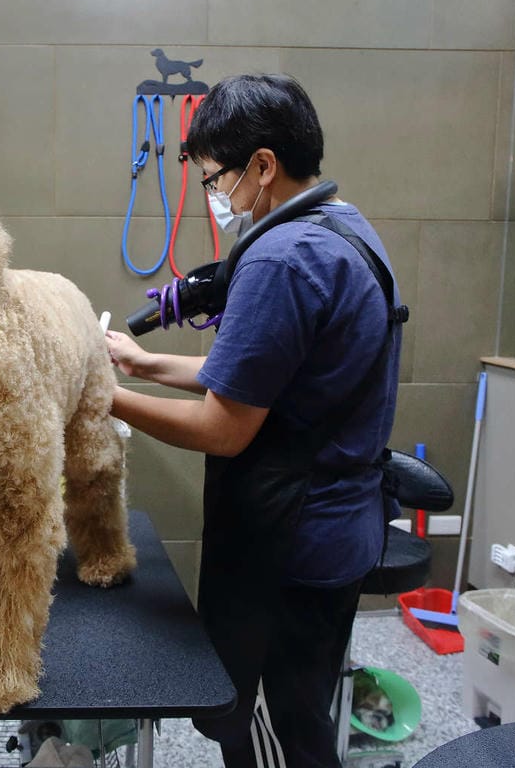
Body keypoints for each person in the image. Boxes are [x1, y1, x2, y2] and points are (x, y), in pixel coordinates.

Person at [106, 74, 402, 768]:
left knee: (269, 732)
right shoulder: (344, 228)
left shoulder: (282, 257)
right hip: (337, 529)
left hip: (289, 542)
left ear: (263, 166)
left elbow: (223, 426)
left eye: (217, 178)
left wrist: (97, 397)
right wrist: (141, 365)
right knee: (302, 714)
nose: (217, 194)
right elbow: (252, 382)